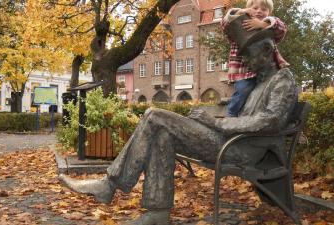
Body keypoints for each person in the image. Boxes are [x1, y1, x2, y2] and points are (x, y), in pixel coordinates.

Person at [59, 16, 298, 225]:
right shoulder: (260, 83)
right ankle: (158, 212)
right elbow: (251, 118)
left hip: (240, 150)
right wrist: (213, 121)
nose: (244, 60)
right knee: (162, 134)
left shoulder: (282, 81)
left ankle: (109, 185)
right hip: (231, 142)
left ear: (267, 50)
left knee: (154, 115)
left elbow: (271, 121)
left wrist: (216, 123)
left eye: (248, 53)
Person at [223, 0, 289, 117]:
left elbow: (282, 29)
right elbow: (225, 24)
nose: (259, 11)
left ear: (269, 12)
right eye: (255, 8)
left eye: (264, 9)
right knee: (243, 90)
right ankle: (231, 114)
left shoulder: (269, 27)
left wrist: (263, 25)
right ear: (248, 9)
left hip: (265, 70)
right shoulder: (240, 23)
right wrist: (241, 12)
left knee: (264, 93)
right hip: (244, 70)